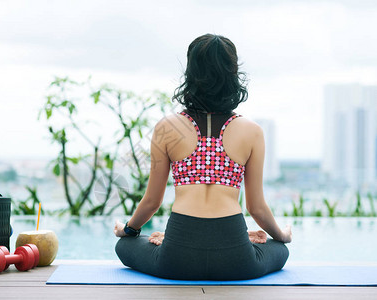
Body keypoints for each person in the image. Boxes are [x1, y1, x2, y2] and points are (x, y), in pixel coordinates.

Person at [113, 33, 291, 280]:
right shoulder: (252, 131)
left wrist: (129, 230)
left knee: (124, 246)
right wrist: (281, 235)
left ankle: (162, 241)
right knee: (279, 250)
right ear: (233, 75)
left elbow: (152, 201)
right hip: (236, 260)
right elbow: (256, 208)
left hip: (176, 258)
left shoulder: (167, 127)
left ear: (191, 74)